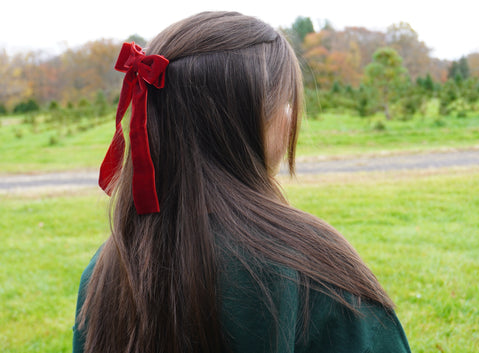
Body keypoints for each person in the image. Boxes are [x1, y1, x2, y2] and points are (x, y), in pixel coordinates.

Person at [73, 11, 411, 353]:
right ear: (248, 117)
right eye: (287, 101)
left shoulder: (108, 269)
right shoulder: (311, 266)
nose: (292, 116)